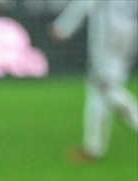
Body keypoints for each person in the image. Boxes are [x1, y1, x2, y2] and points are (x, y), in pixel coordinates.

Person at [50, 0, 138, 163]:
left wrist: (64, 26)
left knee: (104, 85)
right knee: (100, 86)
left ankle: (93, 147)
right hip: (128, 30)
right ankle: (93, 147)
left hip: (108, 30)